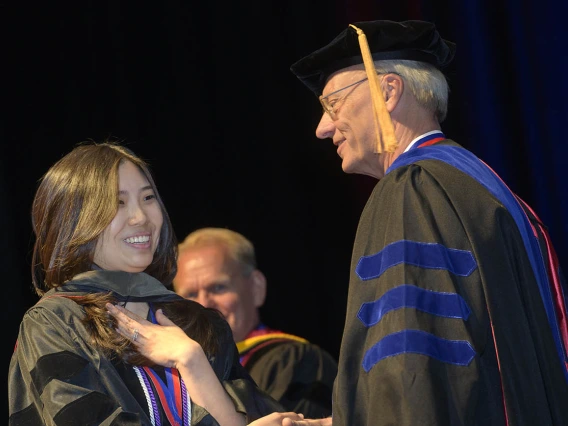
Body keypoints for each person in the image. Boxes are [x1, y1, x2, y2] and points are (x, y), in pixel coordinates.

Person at [287, 19, 568, 425]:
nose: (322, 127)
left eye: (333, 104)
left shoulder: (412, 187)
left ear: (388, 92)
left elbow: (411, 371)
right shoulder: (485, 187)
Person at [8, 141, 306, 426]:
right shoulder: (55, 323)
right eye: (118, 202)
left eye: (148, 198)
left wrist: (191, 360)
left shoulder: (198, 321)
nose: (141, 217)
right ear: (73, 220)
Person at [173, 228, 338, 420]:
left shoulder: (295, 362)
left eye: (218, 288)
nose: (203, 304)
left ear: (256, 288)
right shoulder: (172, 379)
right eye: (190, 295)